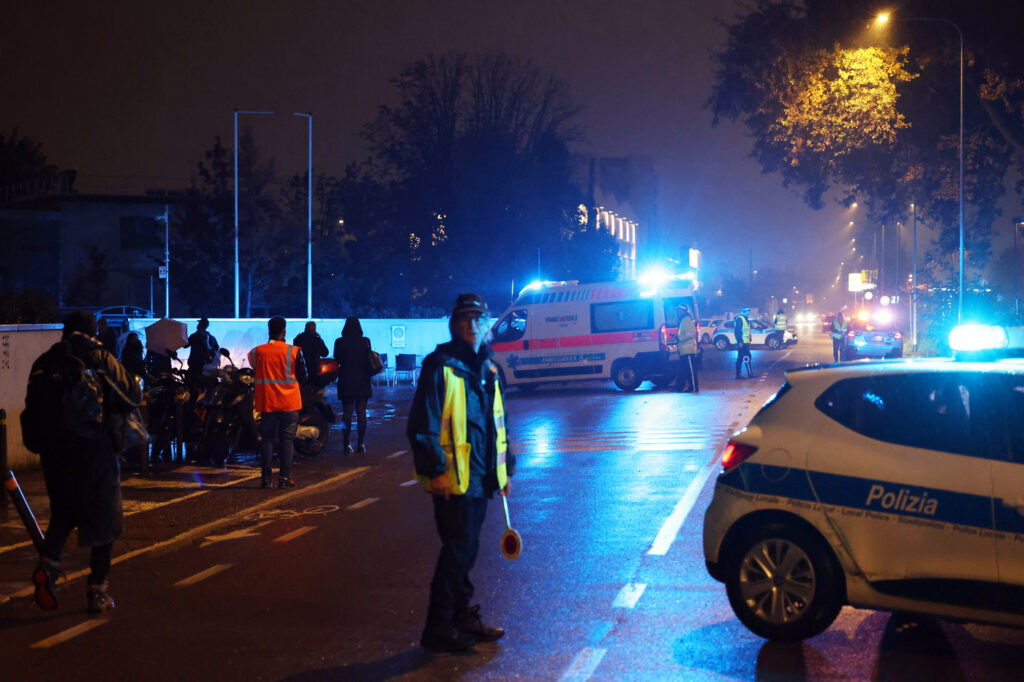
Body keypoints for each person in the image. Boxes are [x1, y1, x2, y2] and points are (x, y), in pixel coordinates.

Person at [408, 292, 515, 653]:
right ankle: (438, 625)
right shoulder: (440, 365)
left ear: (487, 325)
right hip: (452, 479)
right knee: (457, 551)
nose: (472, 325)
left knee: (465, 551)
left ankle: (460, 618)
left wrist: (504, 471)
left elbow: (498, 422)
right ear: (453, 325)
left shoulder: (489, 369)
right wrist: (435, 469)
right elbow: (423, 423)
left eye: (479, 319)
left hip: (481, 477)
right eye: (465, 319)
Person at [26, 311, 138, 613]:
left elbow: (32, 408)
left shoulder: (45, 362)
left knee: (63, 514)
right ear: (93, 331)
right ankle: (97, 590)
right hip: (95, 451)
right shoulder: (100, 358)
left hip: (53, 454)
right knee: (105, 520)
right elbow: (131, 392)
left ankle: (48, 566)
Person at [249, 316, 307, 489]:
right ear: (284, 330)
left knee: (267, 439)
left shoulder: (257, 351)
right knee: (287, 440)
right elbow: (303, 376)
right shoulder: (294, 351)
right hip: (289, 402)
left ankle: (266, 480)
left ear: (269, 330)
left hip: (267, 402)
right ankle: (284, 478)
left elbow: (255, 369)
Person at [333, 317, 374, 453]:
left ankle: (346, 443)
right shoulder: (365, 341)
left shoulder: (339, 342)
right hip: (363, 379)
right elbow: (369, 359)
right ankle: (361, 443)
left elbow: (337, 359)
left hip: (346, 379)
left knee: (347, 412)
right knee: (361, 411)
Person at [185, 317, 219, 383]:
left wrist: (183, 337)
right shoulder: (212, 338)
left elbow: (185, 345)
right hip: (207, 366)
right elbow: (216, 350)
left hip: (195, 366)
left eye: (199, 323)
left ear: (201, 325)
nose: (197, 325)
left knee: (189, 385)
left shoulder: (195, 335)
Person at [675, 304, 699, 393]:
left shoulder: (686, 320)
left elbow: (691, 334)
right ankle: (690, 387)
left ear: (684, 311)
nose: (678, 312)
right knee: (687, 371)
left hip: (688, 350)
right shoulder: (684, 320)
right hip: (685, 351)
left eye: (680, 310)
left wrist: (679, 337)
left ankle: (694, 388)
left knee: (691, 371)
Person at [734, 307, 752, 379]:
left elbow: (747, 331)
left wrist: (749, 338)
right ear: (744, 311)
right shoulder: (740, 319)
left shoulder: (745, 319)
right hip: (742, 343)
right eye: (748, 311)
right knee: (744, 358)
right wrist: (740, 342)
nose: (749, 312)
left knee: (744, 357)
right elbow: (737, 331)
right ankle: (743, 374)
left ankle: (744, 374)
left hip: (745, 343)